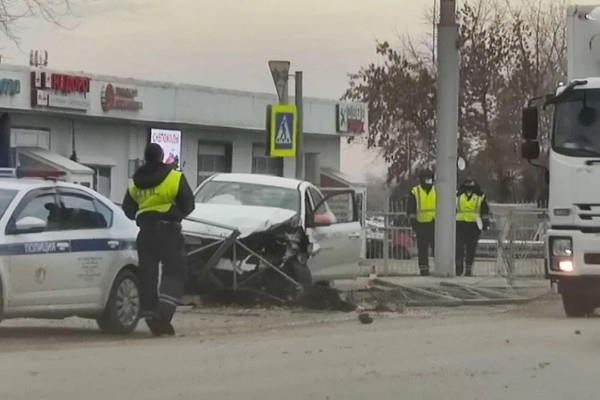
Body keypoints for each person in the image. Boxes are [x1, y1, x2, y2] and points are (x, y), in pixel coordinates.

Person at [122, 143, 195, 336]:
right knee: (176, 271)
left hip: (145, 233)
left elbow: (128, 210)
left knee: (148, 275)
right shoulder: (174, 177)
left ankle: (150, 315)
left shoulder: (135, 183)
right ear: (162, 156)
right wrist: (174, 213)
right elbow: (189, 204)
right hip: (168, 232)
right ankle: (162, 314)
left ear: (145, 158)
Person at [455, 177, 491, 277]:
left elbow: (485, 211)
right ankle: (459, 265)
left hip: (474, 225)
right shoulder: (458, 195)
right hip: (460, 223)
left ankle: (468, 269)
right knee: (459, 247)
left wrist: (485, 223)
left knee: (471, 248)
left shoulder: (480, 196)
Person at [407, 170, 436, 276]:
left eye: (429, 178)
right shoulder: (415, 191)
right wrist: (415, 224)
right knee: (422, 249)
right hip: (421, 225)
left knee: (437, 249)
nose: (428, 180)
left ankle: (439, 268)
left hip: (435, 224)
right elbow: (411, 209)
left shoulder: (437, 190)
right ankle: (424, 270)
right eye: (426, 178)